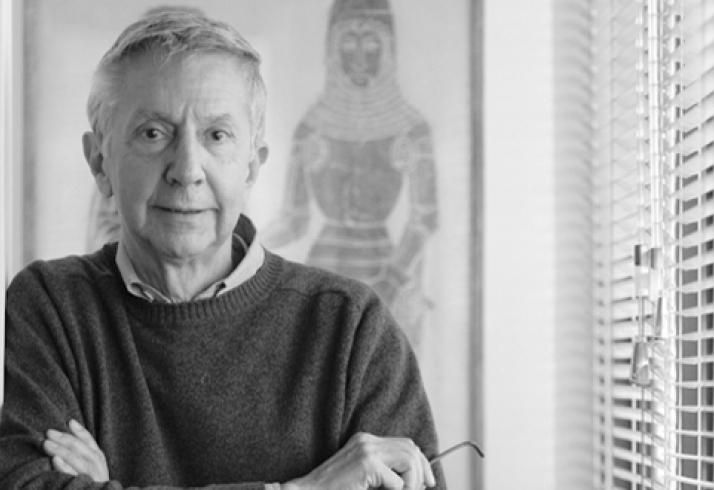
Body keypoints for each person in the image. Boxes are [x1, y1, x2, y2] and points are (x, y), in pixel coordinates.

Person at [0, 8, 444, 490]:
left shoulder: (354, 330)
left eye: (217, 135)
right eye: (153, 133)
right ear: (99, 162)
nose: (187, 170)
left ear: (251, 166)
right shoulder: (51, 307)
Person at [263, 0, 438, 347]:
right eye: (348, 41)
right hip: (321, 274)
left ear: (388, 48)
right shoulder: (311, 128)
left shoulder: (410, 129)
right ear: (332, 48)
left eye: (370, 41)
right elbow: (294, 220)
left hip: (385, 273)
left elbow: (424, 219)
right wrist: (243, 248)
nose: (358, 56)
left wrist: (393, 280)